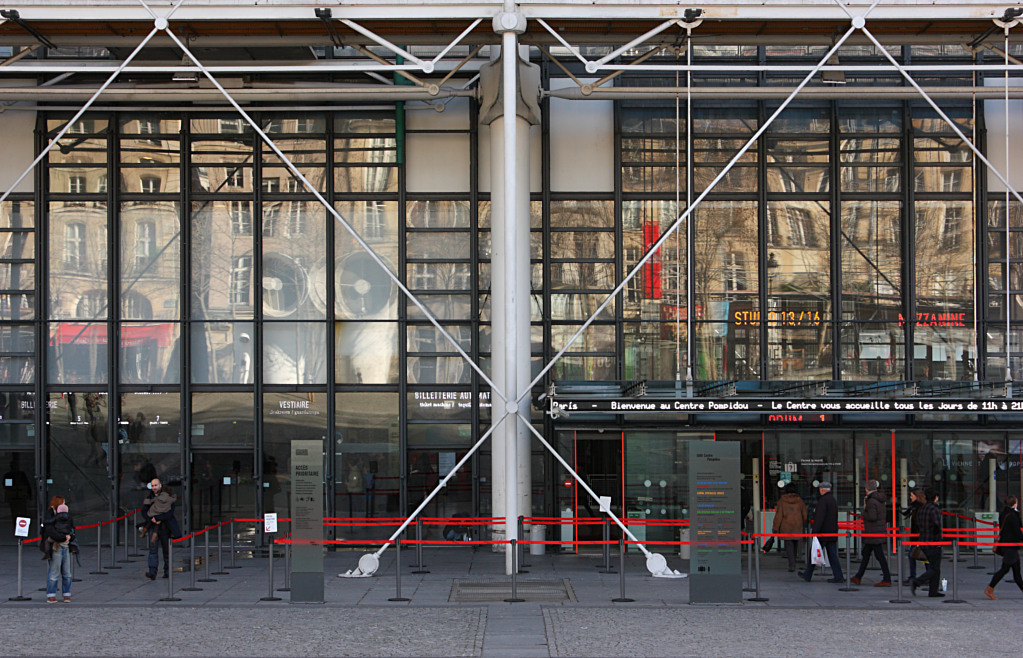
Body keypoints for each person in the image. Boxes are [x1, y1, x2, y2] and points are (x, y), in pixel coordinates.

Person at [799, 481, 843, 583]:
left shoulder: (823, 501)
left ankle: (808, 574)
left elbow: (819, 517)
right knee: (832, 555)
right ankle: (838, 575)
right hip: (832, 532)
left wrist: (815, 531)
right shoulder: (832, 499)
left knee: (814, 552)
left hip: (823, 532)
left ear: (822, 489)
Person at [851, 479, 892, 586]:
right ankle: (858, 576)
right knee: (866, 554)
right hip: (877, 531)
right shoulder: (880, 500)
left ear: (867, 489)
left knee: (879, 556)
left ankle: (887, 578)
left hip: (872, 532)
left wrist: (863, 513)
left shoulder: (870, 501)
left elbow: (872, 516)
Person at [985, 496, 1023, 600]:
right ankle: (989, 588)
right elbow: (1017, 532)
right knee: (1005, 570)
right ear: (1014, 504)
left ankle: (990, 589)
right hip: (1010, 546)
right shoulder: (1012, 515)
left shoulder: (1004, 514)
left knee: (1015, 571)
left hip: (1007, 545)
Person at [142, 478, 179, 580]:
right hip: (153, 526)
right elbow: (144, 511)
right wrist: (151, 519)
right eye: (152, 485)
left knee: (166, 550)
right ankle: (152, 572)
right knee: (152, 550)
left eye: (156, 485)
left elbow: (170, 513)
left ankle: (167, 571)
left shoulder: (168, 497)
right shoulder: (149, 497)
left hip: (165, 527)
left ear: (160, 485)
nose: (154, 487)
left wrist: (157, 518)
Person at [910, 487, 944, 597]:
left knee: (934, 567)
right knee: (935, 568)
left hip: (923, 540)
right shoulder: (934, 509)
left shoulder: (922, 509)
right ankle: (918, 581)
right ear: (935, 498)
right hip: (933, 542)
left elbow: (918, 525)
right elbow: (937, 525)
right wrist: (938, 538)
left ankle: (933, 591)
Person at [40, 498, 75, 603]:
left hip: (65, 545)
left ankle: (67, 594)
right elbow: (50, 531)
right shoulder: (51, 515)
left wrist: (70, 537)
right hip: (57, 545)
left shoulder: (65, 516)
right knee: (54, 572)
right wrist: (65, 537)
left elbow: (72, 529)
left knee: (67, 572)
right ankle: (51, 594)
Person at [772, 484, 807, 572]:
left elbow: (778, 516)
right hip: (797, 527)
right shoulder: (800, 501)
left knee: (789, 546)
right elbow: (805, 515)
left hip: (786, 527)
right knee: (795, 545)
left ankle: (792, 565)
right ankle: (793, 562)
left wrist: (775, 528)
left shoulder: (782, 501)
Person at [901, 489, 923, 584]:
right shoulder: (914, 507)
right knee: (920, 557)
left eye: (912, 496)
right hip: (916, 535)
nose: (910, 497)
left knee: (915, 556)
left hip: (918, 536)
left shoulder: (918, 508)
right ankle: (916, 576)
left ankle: (914, 576)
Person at [3, 456, 32, 521]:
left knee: (22, 513)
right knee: (15, 513)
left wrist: (29, 495)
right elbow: (5, 486)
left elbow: (27, 485)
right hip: (14, 497)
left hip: (20, 496)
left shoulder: (21, 474)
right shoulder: (8, 475)